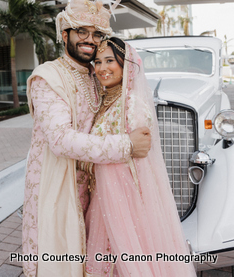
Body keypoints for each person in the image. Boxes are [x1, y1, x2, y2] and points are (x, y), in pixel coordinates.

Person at [22, 0, 151, 277]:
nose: (89, 39)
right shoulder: (47, 77)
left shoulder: (96, 74)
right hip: (57, 185)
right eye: (82, 31)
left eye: (96, 34)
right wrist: (127, 145)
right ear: (65, 34)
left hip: (92, 189)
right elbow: (60, 140)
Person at [84, 37, 197, 277]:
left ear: (126, 64)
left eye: (110, 61)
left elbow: (140, 153)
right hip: (103, 198)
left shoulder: (132, 103)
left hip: (126, 199)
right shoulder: (104, 101)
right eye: (98, 62)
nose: (102, 68)